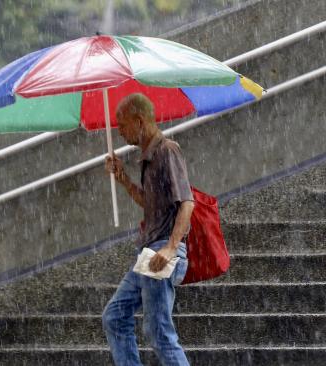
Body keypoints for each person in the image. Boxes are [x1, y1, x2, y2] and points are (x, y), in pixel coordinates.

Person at [102, 93, 195, 366]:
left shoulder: (167, 150)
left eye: (122, 125)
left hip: (163, 250)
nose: (119, 132)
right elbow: (151, 203)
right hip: (150, 250)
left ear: (139, 121)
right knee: (115, 316)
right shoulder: (148, 157)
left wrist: (169, 248)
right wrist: (124, 181)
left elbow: (187, 203)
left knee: (158, 331)